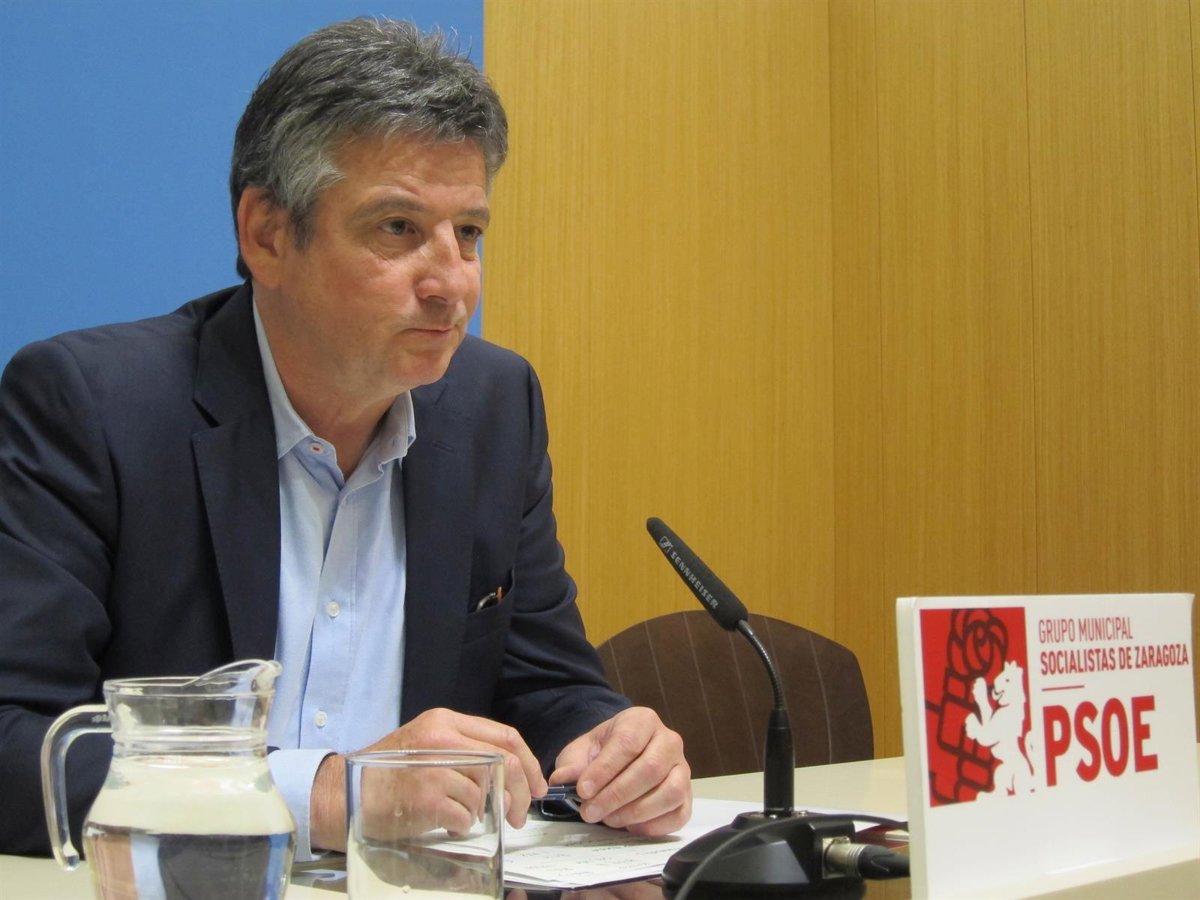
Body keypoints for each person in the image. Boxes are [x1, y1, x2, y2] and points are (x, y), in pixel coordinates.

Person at [0, 18, 690, 859]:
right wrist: (327, 794)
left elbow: (544, 686)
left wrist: (610, 747)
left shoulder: (492, 406)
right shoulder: (96, 407)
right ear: (267, 235)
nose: (452, 284)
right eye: (398, 228)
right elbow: (14, 743)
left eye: (469, 233)